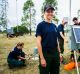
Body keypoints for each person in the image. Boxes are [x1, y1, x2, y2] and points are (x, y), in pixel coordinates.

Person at [36, 5, 60, 74]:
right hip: (46, 54)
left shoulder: (54, 26)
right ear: (44, 13)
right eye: (48, 11)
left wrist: (59, 53)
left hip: (55, 54)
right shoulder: (40, 25)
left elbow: (57, 41)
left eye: (51, 11)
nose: (50, 13)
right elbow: (38, 42)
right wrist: (42, 58)